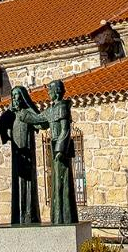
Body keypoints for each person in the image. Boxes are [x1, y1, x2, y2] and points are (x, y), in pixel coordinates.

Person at [19, 80, 79, 224]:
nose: (49, 94)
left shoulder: (63, 107)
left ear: (56, 91)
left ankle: (66, 217)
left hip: (61, 151)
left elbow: (65, 130)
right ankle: (58, 217)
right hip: (55, 149)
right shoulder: (51, 109)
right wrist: (24, 114)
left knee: (63, 183)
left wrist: (60, 150)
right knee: (56, 183)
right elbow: (39, 119)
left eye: (50, 91)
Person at [0, 86, 42, 224]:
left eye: (18, 96)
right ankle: (17, 216)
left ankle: (29, 215)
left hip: (27, 154)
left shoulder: (27, 112)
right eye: (14, 96)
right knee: (17, 182)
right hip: (17, 155)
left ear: (23, 97)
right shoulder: (11, 114)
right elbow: (0, 124)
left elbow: (39, 122)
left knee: (28, 184)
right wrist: (9, 112)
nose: (16, 99)